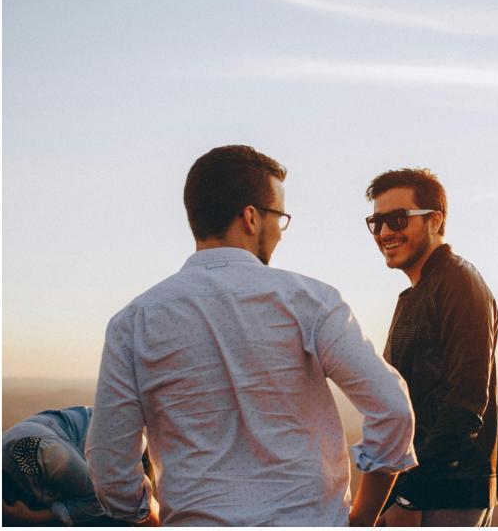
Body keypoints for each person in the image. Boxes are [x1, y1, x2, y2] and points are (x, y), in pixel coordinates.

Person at [86, 145, 417, 526]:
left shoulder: (133, 323)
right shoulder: (310, 302)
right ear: (251, 217)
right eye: (280, 216)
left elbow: (109, 462)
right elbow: (392, 409)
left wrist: (148, 518)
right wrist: (361, 519)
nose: (279, 231)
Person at [365, 168, 498, 527]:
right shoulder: (419, 292)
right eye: (376, 222)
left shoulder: (458, 283)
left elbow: (465, 405)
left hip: (443, 493)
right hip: (426, 490)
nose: (385, 232)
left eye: (398, 219)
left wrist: (407, 494)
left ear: (435, 220)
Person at [3, 405, 152, 526]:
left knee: (123, 516)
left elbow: (98, 500)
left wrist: (33, 518)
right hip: (77, 450)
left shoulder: (45, 453)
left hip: (118, 444)